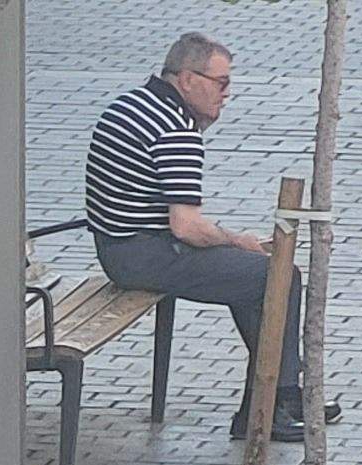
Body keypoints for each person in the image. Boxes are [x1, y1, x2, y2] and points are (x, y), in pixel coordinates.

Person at [85, 33, 329, 444]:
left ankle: (269, 402)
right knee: (279, 276)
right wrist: (237, 240)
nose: (227, 93)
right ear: (186, 79)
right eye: (220, 82)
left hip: (116, 244)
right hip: (142, 253)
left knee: (248, 278)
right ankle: (279, 401)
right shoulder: (176, 128)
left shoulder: (131, 103)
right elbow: (186, 226)